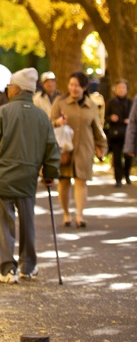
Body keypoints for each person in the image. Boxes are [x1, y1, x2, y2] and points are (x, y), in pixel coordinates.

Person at [0, 67, 60, 283]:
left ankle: (7, 269)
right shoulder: (42, 117)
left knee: (4, 223)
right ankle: (27, 267)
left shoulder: (2, 113)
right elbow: (51, 148)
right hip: (28, 176)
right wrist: (49, 174)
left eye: (9, 87)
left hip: (2, 176)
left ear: (16, 90)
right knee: (27, 222)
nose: (8, 90)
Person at [50, 72, 108, 228]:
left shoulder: (92, 105)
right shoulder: (59, 102)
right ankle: (66, 214)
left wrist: (101, 147)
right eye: (71, 85)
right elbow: (48, 124)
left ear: (84, 87)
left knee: (81, 181)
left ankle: (80, 215)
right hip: (64, 148)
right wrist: (57, 122)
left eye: (77, 85)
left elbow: (97, 128)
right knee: (63, 181)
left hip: (84, 147)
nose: (73, 88)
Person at [105, 80, 133, 186]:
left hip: (128, 134)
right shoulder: (111, 102)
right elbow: (105, 118)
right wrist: (110, 118)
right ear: (115, 89)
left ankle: (127, 175)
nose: (121, 90)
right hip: (115, 134)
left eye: (123, 88)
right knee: (117, 158)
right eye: (119, 87)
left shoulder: (131, 103)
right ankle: (118, 179)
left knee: (128, 157)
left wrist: (130, 120)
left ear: (127, 89)